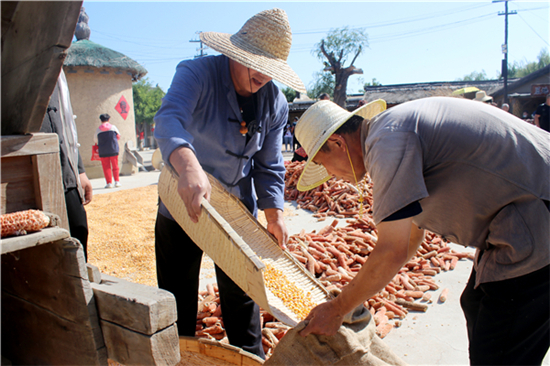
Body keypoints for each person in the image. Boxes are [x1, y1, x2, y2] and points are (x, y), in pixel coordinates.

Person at [294, 97, 549, 366]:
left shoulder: (387, 144)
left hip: (536, 218)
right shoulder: (391, 132)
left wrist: (337, 309)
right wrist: (355, 293)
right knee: (474, 303)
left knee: (500, 345)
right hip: (516, 219)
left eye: (323, 164)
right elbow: (412, 236)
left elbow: (392, 251)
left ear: (337, 143)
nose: (331, 174)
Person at [153, 8, 305, 359]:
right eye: (255, 62)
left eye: (272, 69)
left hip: (237, 214)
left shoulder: (274, 102)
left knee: (243, 298)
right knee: (177, 301)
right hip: (183, 206)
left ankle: (250, 356)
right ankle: (179, 357)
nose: (263, 75)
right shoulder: (197, 74)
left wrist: (275, 213)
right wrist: (188, 165)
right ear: (235, 54)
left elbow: (269, 165)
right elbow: (168, 119)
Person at [41, 69, 93, 260]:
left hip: (65, 169)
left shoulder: (56, 71)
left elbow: (65, 122)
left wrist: (79, 170)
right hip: (26, 170)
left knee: (78, 229)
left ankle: (79, 285)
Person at [94, 113, 121, 188]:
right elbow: (118, 136)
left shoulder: (98, 130)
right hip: (113, 149)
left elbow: (95, 140)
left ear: (101, 120)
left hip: (103, 150)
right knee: (115, 166)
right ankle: (117, 181)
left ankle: (109, 183)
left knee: (106, 167)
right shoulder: (113, 127)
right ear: (108, 119)